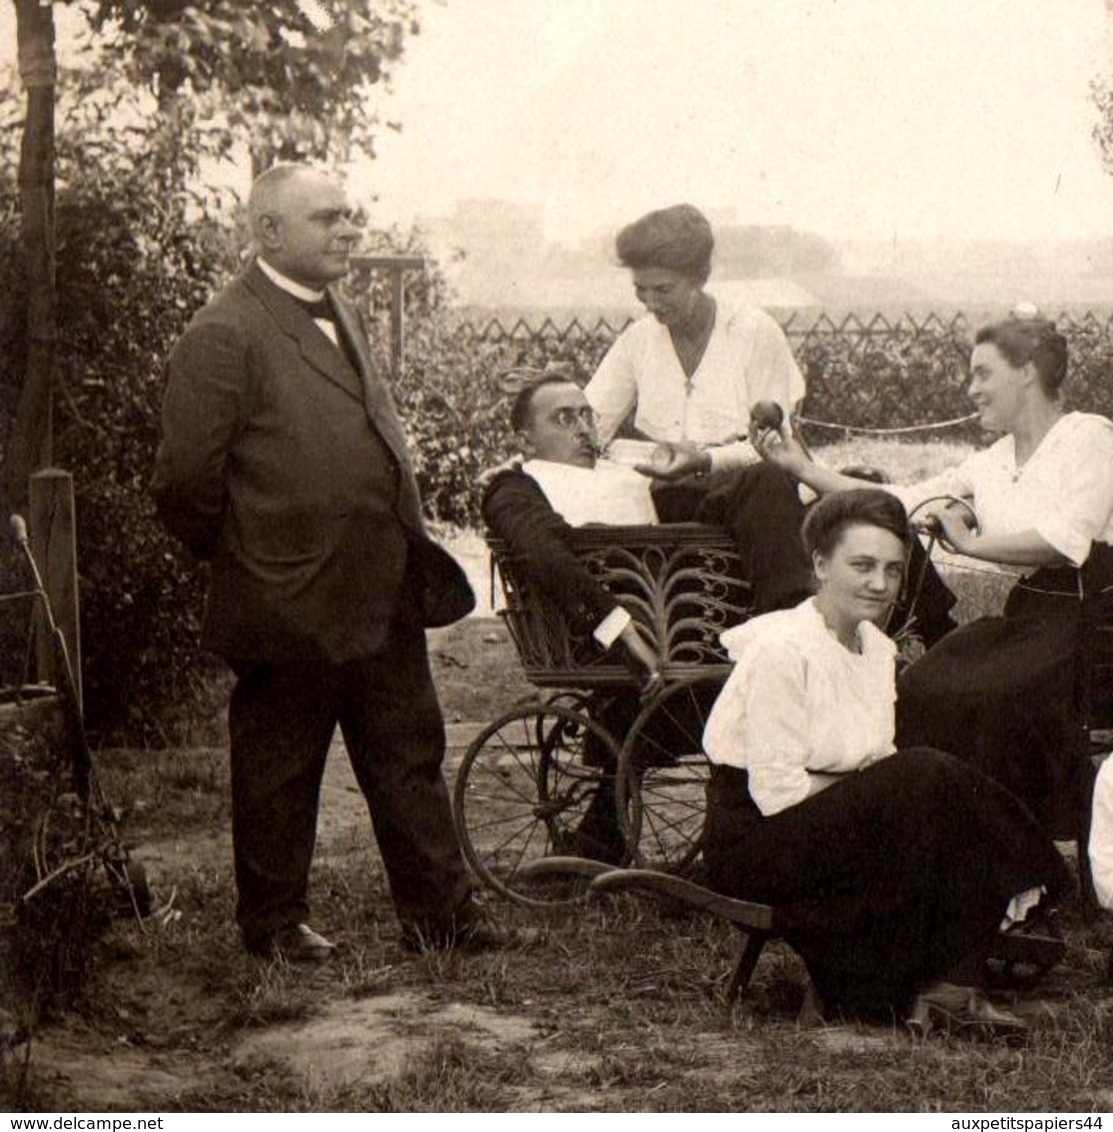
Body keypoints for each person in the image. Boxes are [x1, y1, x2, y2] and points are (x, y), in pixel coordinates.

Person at [152, 163, 510, 961]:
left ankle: (441, 915)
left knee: (406, 751)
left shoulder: (339, 308)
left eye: (349, 215)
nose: (348, 229)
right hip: (285, 597)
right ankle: (274, 925)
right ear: (268, 231)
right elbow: (183, 483)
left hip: (377, 580)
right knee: (281, 765)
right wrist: (253, 556)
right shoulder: (224, 333)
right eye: (326, 218)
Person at [701, 489, 1069, 1035]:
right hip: (758, 839)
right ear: (822, 565)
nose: (880, 583)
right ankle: (1042, 873)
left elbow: (877, 763)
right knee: (923, 776)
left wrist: (879, 794)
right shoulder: (783, 649)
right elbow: (777, 795)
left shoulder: (877, 651)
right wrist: (877, 794)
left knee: (928, 795)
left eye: (893, 571)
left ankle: (950, 990)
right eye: (863, 566)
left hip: (828, 821)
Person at [750, 312, 1113, 836]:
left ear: (1028, 371)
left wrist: (972, 542)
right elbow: (902, 498)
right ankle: (942, 834)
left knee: (985, 700)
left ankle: (1009, 845)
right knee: (921, 688)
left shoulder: (1091, 437)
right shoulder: (993, 460)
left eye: (983, 373)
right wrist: (802, 468)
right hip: (1027, 617)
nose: (972, 390)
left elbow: (1067, 540)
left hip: (1089, 623)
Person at [584, 203, 954, 642]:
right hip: (676, 500)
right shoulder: (638, 341)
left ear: (699, 277)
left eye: (663, 290)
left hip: (754, 493)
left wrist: (705, 459)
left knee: (858, 500)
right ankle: (796, 624)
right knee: (770, 484)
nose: (650, 303)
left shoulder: (752, 332)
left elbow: (776, 444)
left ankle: (936, 629)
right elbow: (588, 424)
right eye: (640, 291)